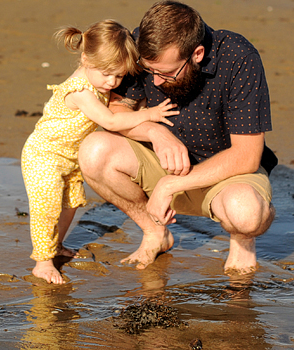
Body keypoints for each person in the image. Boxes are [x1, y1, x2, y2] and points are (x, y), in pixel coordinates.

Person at [78, 0, 277, 274]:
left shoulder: (238, 58)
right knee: (93, 151)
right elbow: (115, 111)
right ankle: (154, 232)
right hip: (161, 163)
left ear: (196, 54)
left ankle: (242, 241)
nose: (156, 82)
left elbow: (247, 155)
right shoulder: (142, 46)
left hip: (227, 174)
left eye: (167, 73)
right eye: (151, 72)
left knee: (245, 214)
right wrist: (154, 131)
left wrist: (170, 185)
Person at [21, 19, 178, 284]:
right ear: (85, 59)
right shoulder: (80, 90)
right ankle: (42, 262)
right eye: (106, 73)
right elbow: (111, 122)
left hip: (69, 157)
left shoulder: (100, 82)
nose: (112, 81)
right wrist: (150, 114)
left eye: (119, 75)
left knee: (70, 205)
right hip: (44, 155)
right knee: (46, 207)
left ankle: (55, 245)